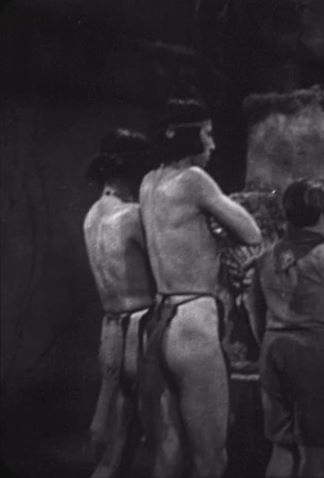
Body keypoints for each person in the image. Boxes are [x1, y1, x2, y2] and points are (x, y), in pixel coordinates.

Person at [138, 98, 262, 478]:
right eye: (207, 134)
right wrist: (219, 229)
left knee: (170, 452)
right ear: (189, 135)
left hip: (159, 321)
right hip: (192, 321)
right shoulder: (194, 180)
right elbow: (251, 233)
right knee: (211, 458)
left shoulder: (148, 182)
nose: (213, 144)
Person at [247, 177, 324, 478]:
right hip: (315, 358)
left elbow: (254, 311)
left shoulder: (265, 259)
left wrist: (268, 342)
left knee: (282, 446)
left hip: (274, 351)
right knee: (315, 453)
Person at [83, 129, 158, 478]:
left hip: (110, 330)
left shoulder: (91, 216)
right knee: (156, 434)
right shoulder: (132, 216)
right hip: (139, 330)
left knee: (112, 435)